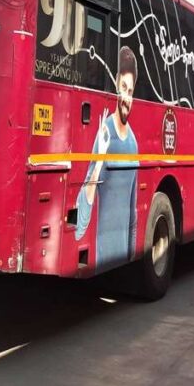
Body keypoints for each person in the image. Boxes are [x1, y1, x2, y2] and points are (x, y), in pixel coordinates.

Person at [75, 45, 140, 270]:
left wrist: (133, 261)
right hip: (103, 261)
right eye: (123, 88)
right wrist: (100, 157)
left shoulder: (133, 142)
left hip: (124, 260)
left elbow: (133, 216)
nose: (126, 98)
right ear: (115, 86)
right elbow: (81, 220)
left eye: (131, 92)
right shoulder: (104, 133)